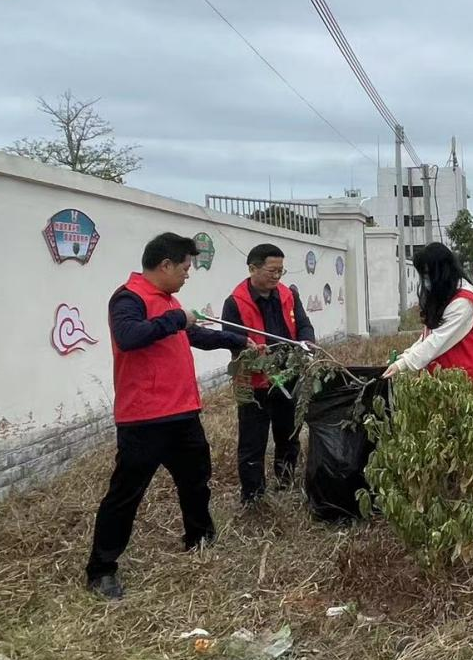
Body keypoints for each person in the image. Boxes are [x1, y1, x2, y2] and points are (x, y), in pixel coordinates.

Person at [85, 233, 253, 600]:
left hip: (182, 413)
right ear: (165, 265)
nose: (187, 275)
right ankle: (102, 569)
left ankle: (200, 537)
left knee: (196, 480)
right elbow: (130, 337)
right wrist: (177, 318)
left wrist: (237, 340)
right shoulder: (128, 298)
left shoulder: (167, 301)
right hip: (144, 418)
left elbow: (195, 336)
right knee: (126, 494)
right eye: (185, 268)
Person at [221, 243, 317, 505]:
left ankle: (285, 482)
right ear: (253, 268)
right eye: (272, 270)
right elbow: (232, 342)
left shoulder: (288, 295)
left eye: (281, 271)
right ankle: (253, 496)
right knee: (252, 442)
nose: (277, 276)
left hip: (288, 378)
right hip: (254, 385)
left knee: (288, 435)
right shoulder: (235, 303)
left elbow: (304, 325)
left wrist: (306, 343)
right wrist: (251, 353)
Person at [384, 242, 473, 384]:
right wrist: (404, 357)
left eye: (428, 274)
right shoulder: (446, 296)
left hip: (465, 378)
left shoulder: (464, 302)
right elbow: (428, 337)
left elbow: (438, 340)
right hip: (447, 376)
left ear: (442, 273)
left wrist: (404, 364)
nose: (426, 280)